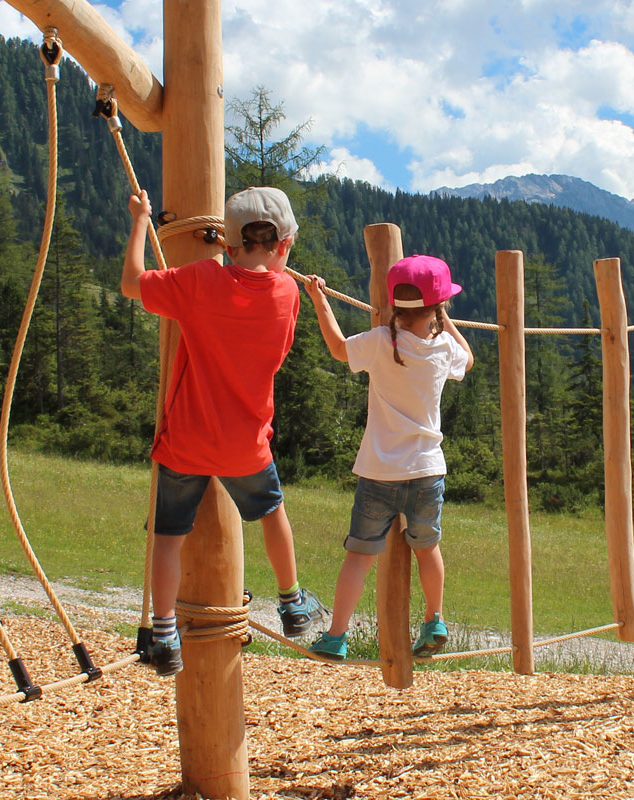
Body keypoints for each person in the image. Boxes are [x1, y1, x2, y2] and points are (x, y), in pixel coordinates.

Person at [118, 186, 324, 676]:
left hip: (185, 442)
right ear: (286, 244)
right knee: (271, 511)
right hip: (246, 447)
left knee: (169, 536)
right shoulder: (289, 292)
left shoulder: (199, 281)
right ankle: (292, 602)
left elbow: (132, 283)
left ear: (227, 245)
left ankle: (165, 634)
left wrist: (142, 222)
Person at [301, 255, 474, 661]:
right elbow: (468, 358)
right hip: (427, 470)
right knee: (427, 548)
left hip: (379, 473)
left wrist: (318, 298)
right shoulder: (443, 346)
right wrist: (444, 319)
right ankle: (435, 619)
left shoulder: (380, 340)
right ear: (436, 307)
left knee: (359, 556)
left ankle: (337, 635)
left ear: (394, 304)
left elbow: (338, 349)